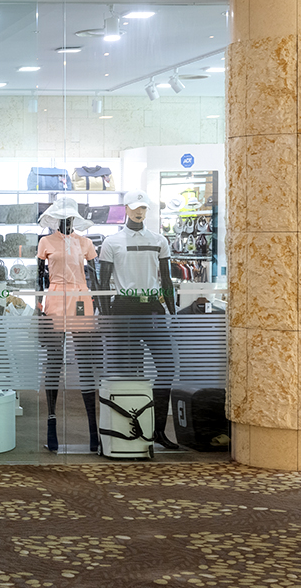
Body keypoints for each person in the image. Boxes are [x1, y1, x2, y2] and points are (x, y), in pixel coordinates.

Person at [98, 190, 179, 450]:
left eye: (143, 207)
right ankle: (134, 433)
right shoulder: (112, 242)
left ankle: (158, 431)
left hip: (153, 308)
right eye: (135, 207)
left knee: (167, 368)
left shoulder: (159, 240)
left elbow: (166, 280)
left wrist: (173, 314)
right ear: (125, 208)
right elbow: (102, 284)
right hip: (124, 309)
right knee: (132, 371)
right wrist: (107, 319)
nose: (139, 212)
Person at [36, 196, 102, 453]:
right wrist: (38, 306)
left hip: (81, 297)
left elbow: (95, 276)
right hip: (55, 296)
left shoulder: (85, 243)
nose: (66, 220)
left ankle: (93, 430)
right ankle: (51, 423)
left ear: (75, 218)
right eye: (62, 216)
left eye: (69, 216)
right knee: (54, 360)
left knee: (85, 361)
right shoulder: (46, 242)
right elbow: (38, 277)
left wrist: (100, 306)